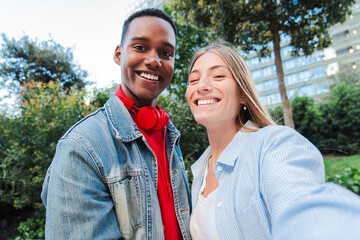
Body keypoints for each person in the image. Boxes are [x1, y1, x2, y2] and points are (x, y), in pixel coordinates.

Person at [41, 8, 191, 240]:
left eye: (166, 52)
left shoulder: (169, 134)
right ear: (119, 54)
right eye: (140, 47)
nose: (154, 61)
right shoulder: (81, 146)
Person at [186, 43, 360, 240]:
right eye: (194, 79)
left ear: (243, 94)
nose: (201, 86)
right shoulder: (200, 170)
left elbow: (301, 202)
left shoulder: (274, 144)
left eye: (218, 76)